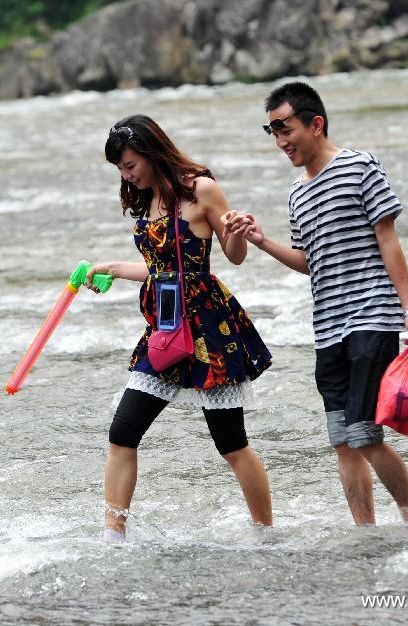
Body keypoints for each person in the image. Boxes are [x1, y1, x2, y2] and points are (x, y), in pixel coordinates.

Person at [225, 82, 408, 525]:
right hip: (328, 327)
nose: (281, 142)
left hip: (373, 315)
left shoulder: (360, 166)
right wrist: (261, 241)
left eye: (286, 129)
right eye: (273, 132)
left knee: (365, 434)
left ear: (316, 124)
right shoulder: (297, 193)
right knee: (342, 440)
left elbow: (388, 240)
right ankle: (366, 531)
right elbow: (309, 262)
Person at [86, 114, 274, 540]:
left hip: (208, 327)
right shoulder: (145, 197)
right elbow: (159, 268)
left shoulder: (200, 189)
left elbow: (234, 254)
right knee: (123, 431)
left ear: (152, 152)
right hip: (165, 325)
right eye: (120, 169)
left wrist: (240, 232)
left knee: (230, 441)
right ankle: (113, 534)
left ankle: (264, 533)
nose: (126, 175)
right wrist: (112, 268)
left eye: (130, 165)